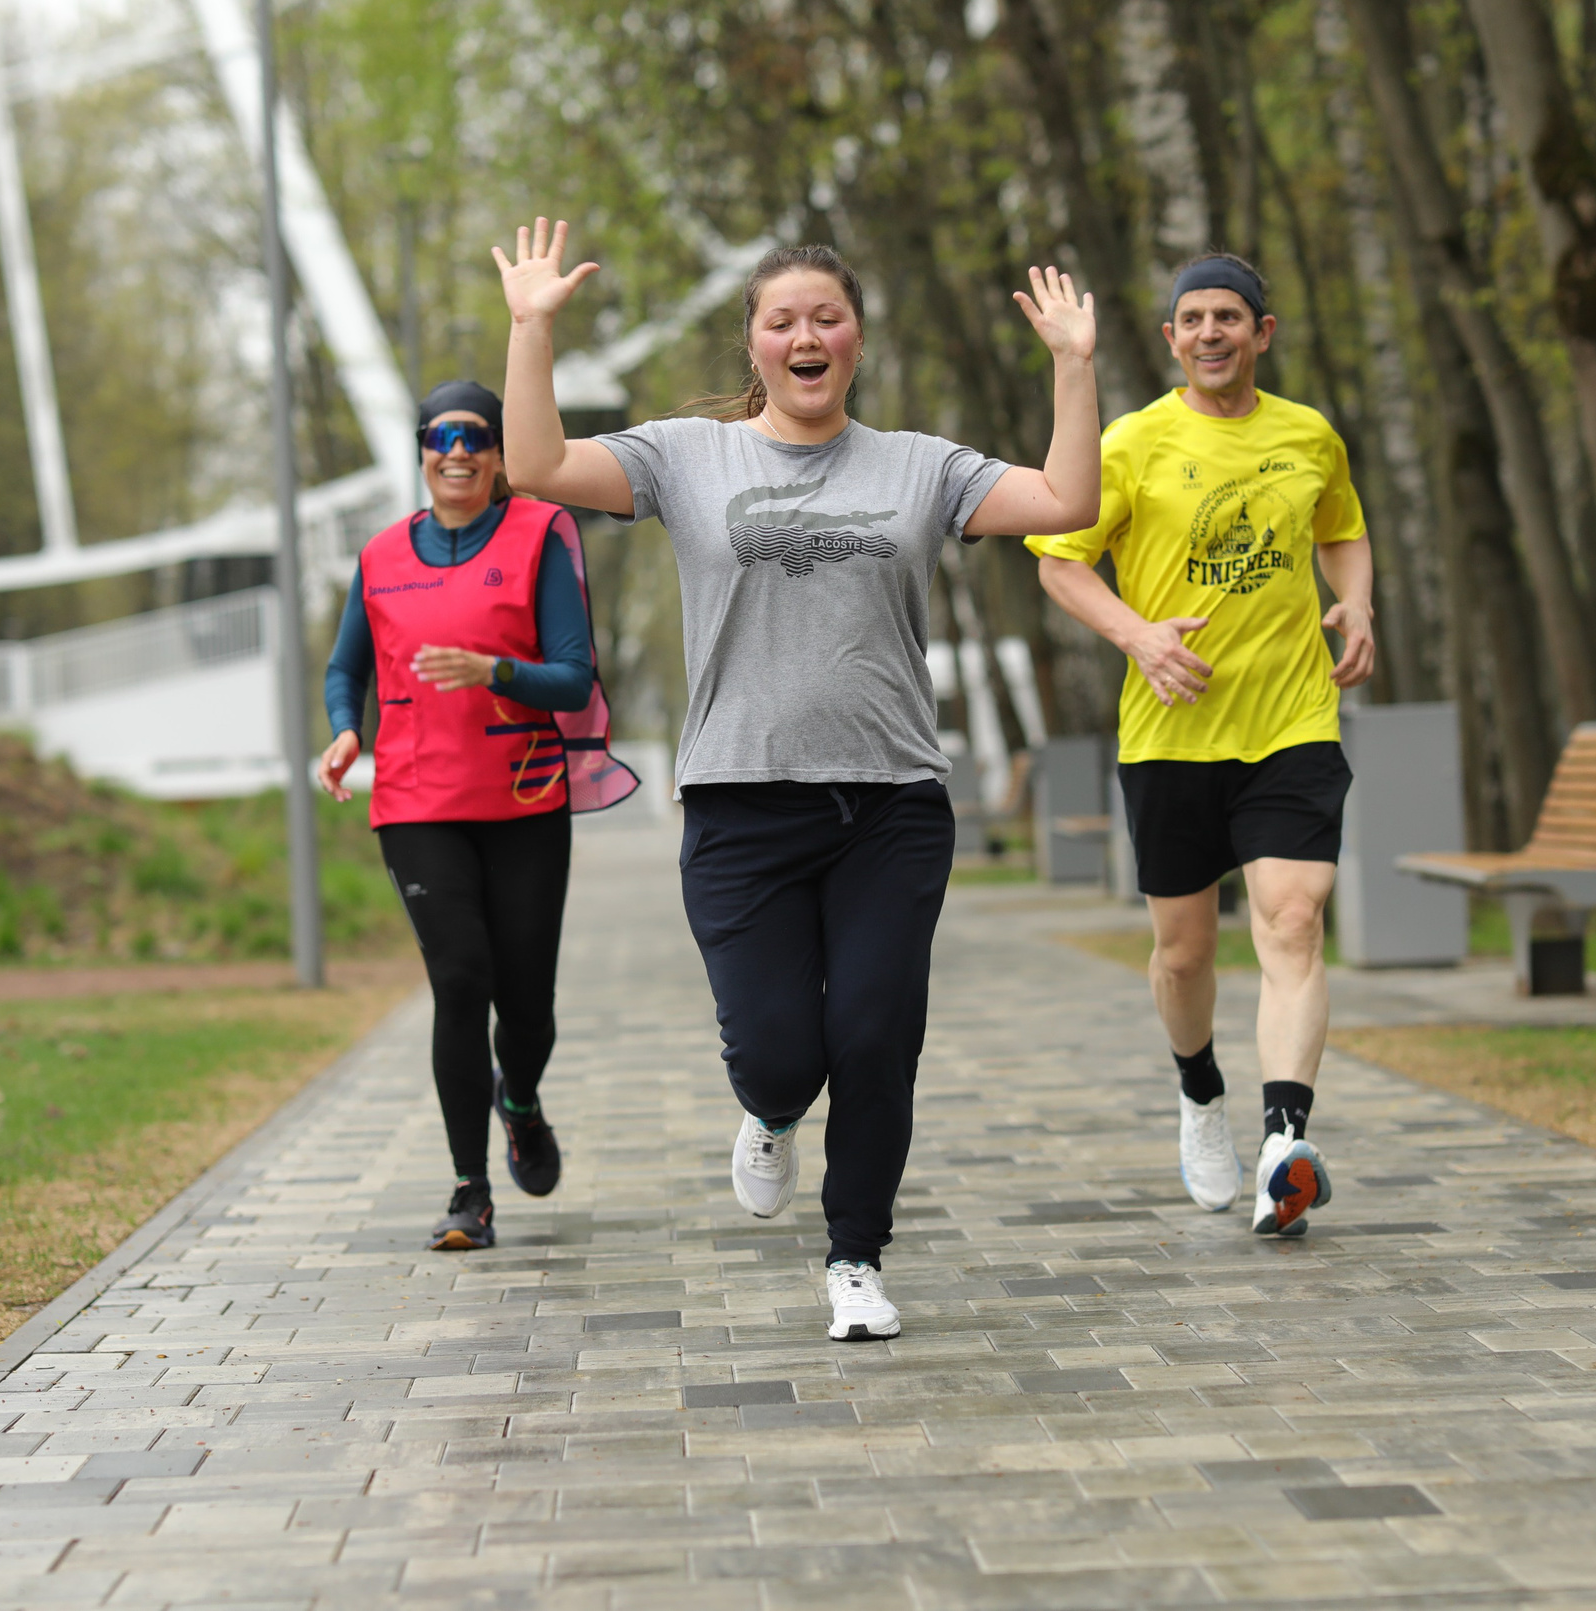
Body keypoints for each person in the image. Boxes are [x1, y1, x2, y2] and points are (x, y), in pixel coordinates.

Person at [491, 217, 1100, 1341]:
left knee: (874, 1035)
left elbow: (1067, 504)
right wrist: (532, 331)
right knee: (779, 1049)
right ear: (755, 344)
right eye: (783, 320)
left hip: (892, 804)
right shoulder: (687, 457)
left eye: (827, 316)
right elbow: (533, 467)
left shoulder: (922, 466)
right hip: (740, 801)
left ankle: (855, 1257)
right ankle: (770, 1110)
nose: (805, 336)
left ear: (857, 339)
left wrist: (1073, 363)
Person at [1027, 254, 1375, 1239]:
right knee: (1183, 955)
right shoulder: (1132, 443)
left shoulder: (1308, 434)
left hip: (1290, 722)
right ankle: (1197, 1093)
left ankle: (1282, 1144)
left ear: (1261, 333)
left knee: (1293, 923)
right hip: (1172, 733)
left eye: (1230, 316)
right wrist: (1137, 636)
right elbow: (1061, 565)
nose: (1212, 331)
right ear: (1173, 339)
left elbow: (1341, 527)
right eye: (1193, 319)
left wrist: (1354, 598)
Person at [319, 378, 638, 1252]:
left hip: (526, 795)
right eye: (440, 437)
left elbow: (573, 676)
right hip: (418, 800)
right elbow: (346, 669)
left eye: (475, 438)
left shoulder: (541, 533)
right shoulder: (381, 557)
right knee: (460, 980)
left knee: (526, 1004)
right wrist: (346, 732)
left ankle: (521, 1099)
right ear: (421, 450)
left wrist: (493, 670)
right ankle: (470, 1190)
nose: (456, 452)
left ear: (500, 456)